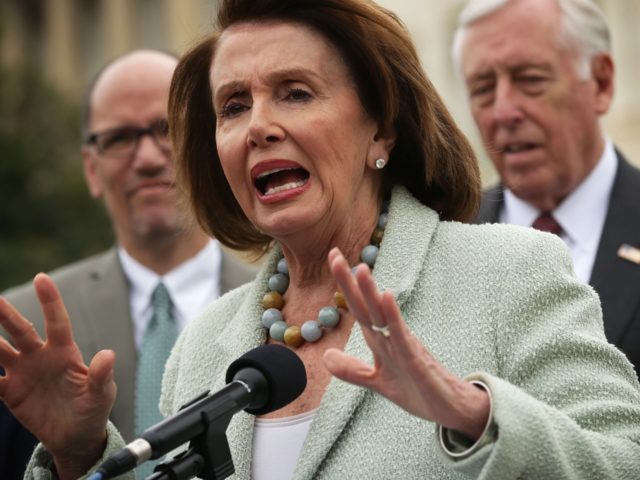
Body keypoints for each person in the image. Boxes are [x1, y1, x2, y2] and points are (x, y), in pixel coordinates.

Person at [2, 0, 640, 478]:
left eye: (295, 93)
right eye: (232, 106)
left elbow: (622, 459)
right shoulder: (205, 343)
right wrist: (79, 453)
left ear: (381, 132)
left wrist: (475, 416)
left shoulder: (510, 271)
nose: (259, 126)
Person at [0, 50, 257, 479]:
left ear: (208, 143)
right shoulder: (21, 327)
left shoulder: (284, 313)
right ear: (91, 169)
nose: (149, 158)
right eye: (119, 138)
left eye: (167, 129)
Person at [453, 0, 640, 378]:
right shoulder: (447, 242)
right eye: (484, 89)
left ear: (601, 83)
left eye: (531, 79)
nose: (503, 112)